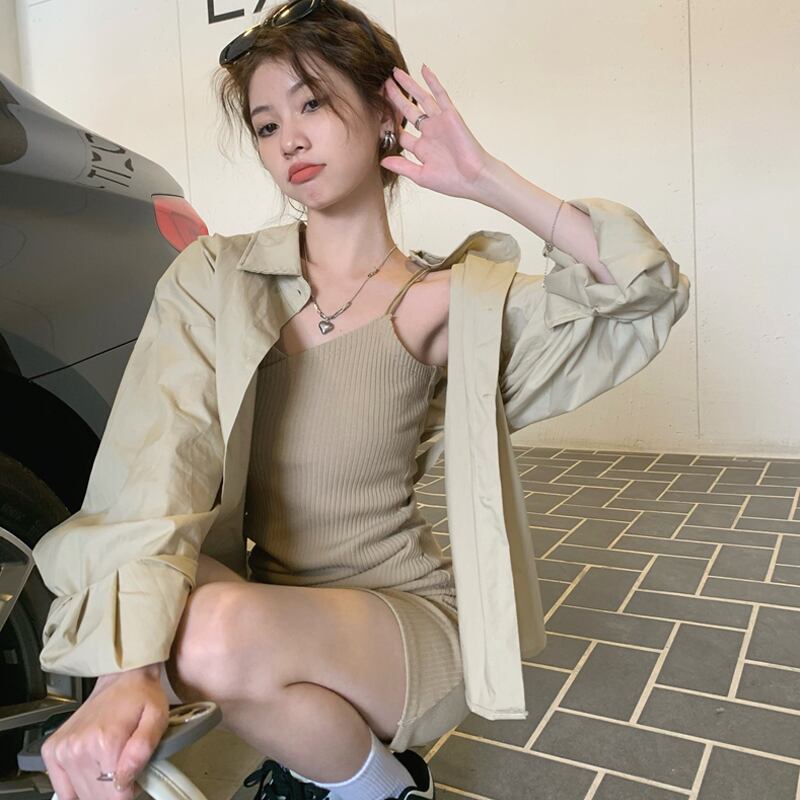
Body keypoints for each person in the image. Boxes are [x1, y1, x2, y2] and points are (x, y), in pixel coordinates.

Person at [31, 0, 691, 798]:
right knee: (142, 592)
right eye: (267, 125)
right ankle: (343, 765)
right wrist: (122, 676)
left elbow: (644, 291)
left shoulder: (445, 300)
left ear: (385, 115)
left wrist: (483, 178)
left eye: (312, 104)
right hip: (265, 604)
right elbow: (154, 466)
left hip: (396, 616)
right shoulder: (215, 279)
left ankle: (377, 787)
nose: (290, 140)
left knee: (202, 637)